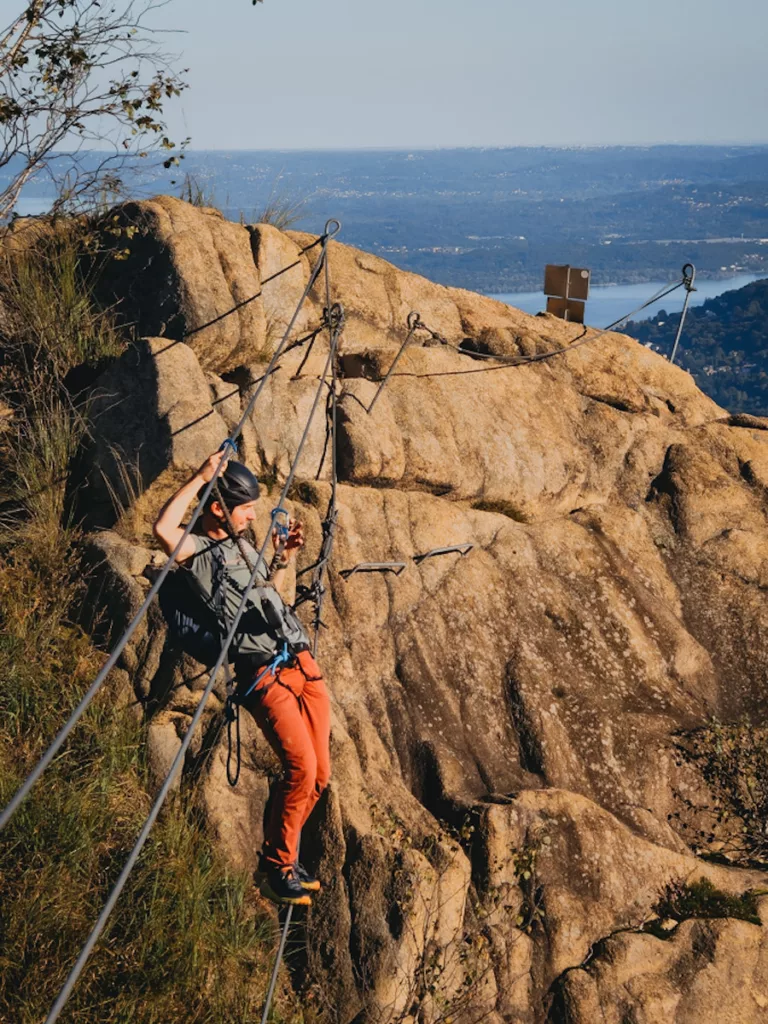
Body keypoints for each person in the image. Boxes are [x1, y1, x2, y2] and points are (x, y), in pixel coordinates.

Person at [153, 449, 331, 907]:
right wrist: (200, 475)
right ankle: (276, 869)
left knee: (320, 777)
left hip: (300, 661)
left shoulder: (243, 539)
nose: (252, 514)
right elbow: (163, 530)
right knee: (301, 769)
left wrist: (282, 558)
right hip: (263, 673)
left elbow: (259, 591)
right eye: (244, 507)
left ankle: (286, 856)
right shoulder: (201, 550)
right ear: (217, 509)